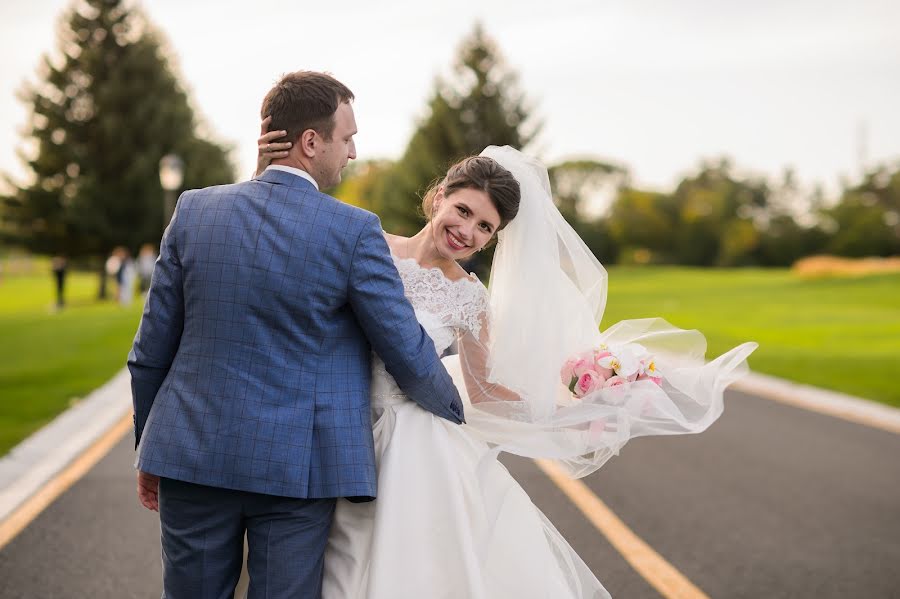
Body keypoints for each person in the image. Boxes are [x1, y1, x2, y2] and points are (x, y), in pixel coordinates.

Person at [252, 142, 757, 597]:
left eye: (484, 227)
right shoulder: (368, 245)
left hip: (415, 447)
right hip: (334, 429)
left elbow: (485, 390)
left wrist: (572, 410)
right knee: (327, 565)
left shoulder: (471, 299)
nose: (466, 231)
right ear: (439, 197)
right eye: (464, 210)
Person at [128, 71, 464, 599]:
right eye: (347, 138)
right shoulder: (354, 231)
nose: (352, 152)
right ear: (312, 142)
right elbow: (407, 353)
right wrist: (463, 417)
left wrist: (149, 446)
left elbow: (149, 354)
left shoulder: (193, 211)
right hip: (297, 470)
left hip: (189, 454)